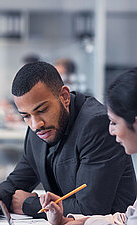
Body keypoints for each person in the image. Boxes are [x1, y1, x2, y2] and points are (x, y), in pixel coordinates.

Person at [0, 62, 136, 219]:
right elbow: (17, 181)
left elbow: (90, 209)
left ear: (64, 96)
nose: (36, 124)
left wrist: (28, 204)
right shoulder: (38, 128)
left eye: (42, 110)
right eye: (26, 116)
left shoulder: (97, 124)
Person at [41, 69, 137, 225]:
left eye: (114, 123)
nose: (110, 131)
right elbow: (125, 219)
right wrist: (67, 222)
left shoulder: (92, 123)